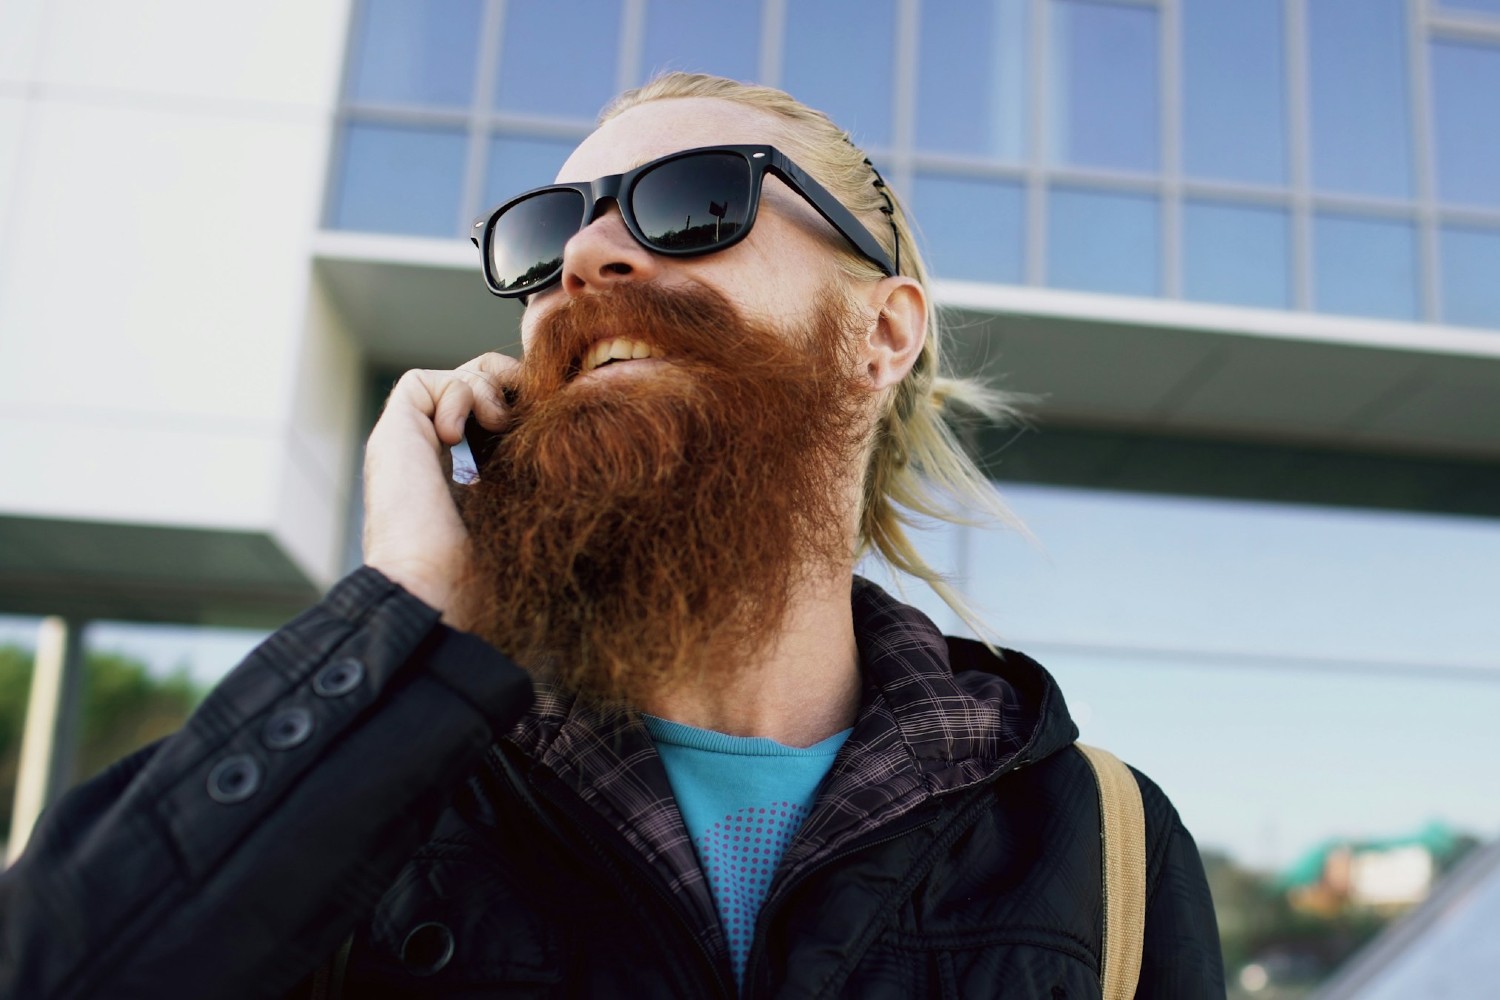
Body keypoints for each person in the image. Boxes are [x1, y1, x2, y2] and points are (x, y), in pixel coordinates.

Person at [0, 74, 1224, 998]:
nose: (587, 255)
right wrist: (405, 610)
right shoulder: (384, 783)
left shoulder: (1100, 846)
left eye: (697, 203)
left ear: (884, 332)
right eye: (548, 236)